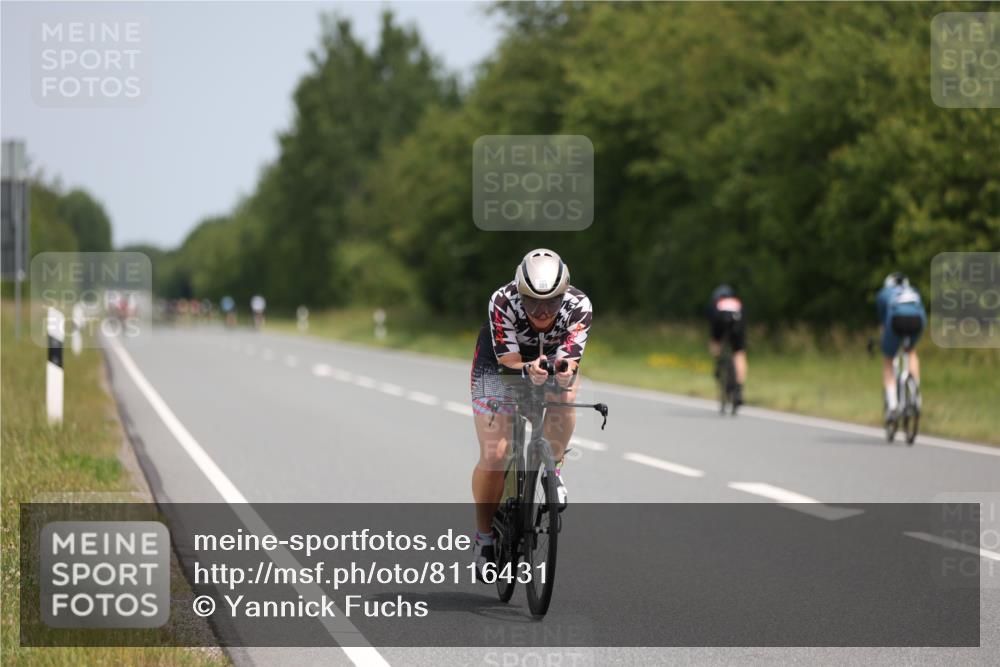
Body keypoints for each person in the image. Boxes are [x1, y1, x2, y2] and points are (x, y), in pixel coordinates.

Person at [469, 249, 592, 579]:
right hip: (498, 366)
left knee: (564, 394)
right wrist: (527, 369)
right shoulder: (502, 300)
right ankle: (483, 540)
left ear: (564, 294)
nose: (542, 311)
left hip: (548, 359)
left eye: (552, 302)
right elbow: (508, 363)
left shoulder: (580, 305)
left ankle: (555, 468)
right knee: (495, 453)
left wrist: (562, 372)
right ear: (518, 292)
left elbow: (570, 360)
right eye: (532, 302)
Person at [875, 272, 926, 424]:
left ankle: (892, 405)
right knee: (911, 351)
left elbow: (883, 324)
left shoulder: (884, 293)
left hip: (896, 319)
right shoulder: (914, 291)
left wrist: (884, 339)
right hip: (918, 319)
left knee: (888, 360)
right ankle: (916, 393)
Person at [707, 284, 747, 406]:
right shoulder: (737, 302)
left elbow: (712, 322)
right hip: (737, 323)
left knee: (716, 343)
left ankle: (719, 365)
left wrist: (715, 340)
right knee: (739, 354)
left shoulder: (717, 303)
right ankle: (739, 391)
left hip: (719, 322)